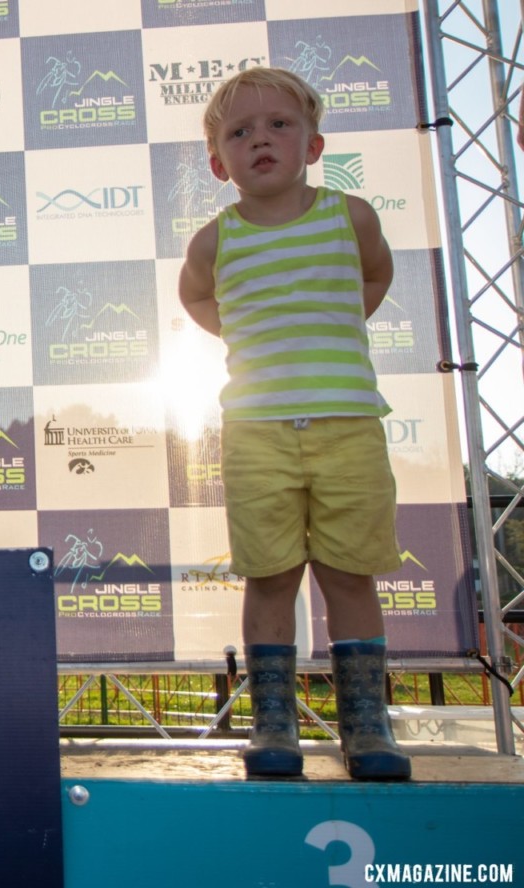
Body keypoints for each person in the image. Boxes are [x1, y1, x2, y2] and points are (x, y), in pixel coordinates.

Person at [178, 67, 411, 781]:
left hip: (348, 428)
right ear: (220, 163)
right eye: (241, 133)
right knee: (271, 577)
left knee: (348, 574)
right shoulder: (214, 241)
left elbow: (373, 278)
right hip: (257, 432)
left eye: (279, 125)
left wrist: (335, 327)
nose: (262, 140)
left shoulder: (352, 216)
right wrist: (249, 335)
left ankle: (366, 728)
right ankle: (273, 724)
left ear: (313, 144)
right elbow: (196, 300)